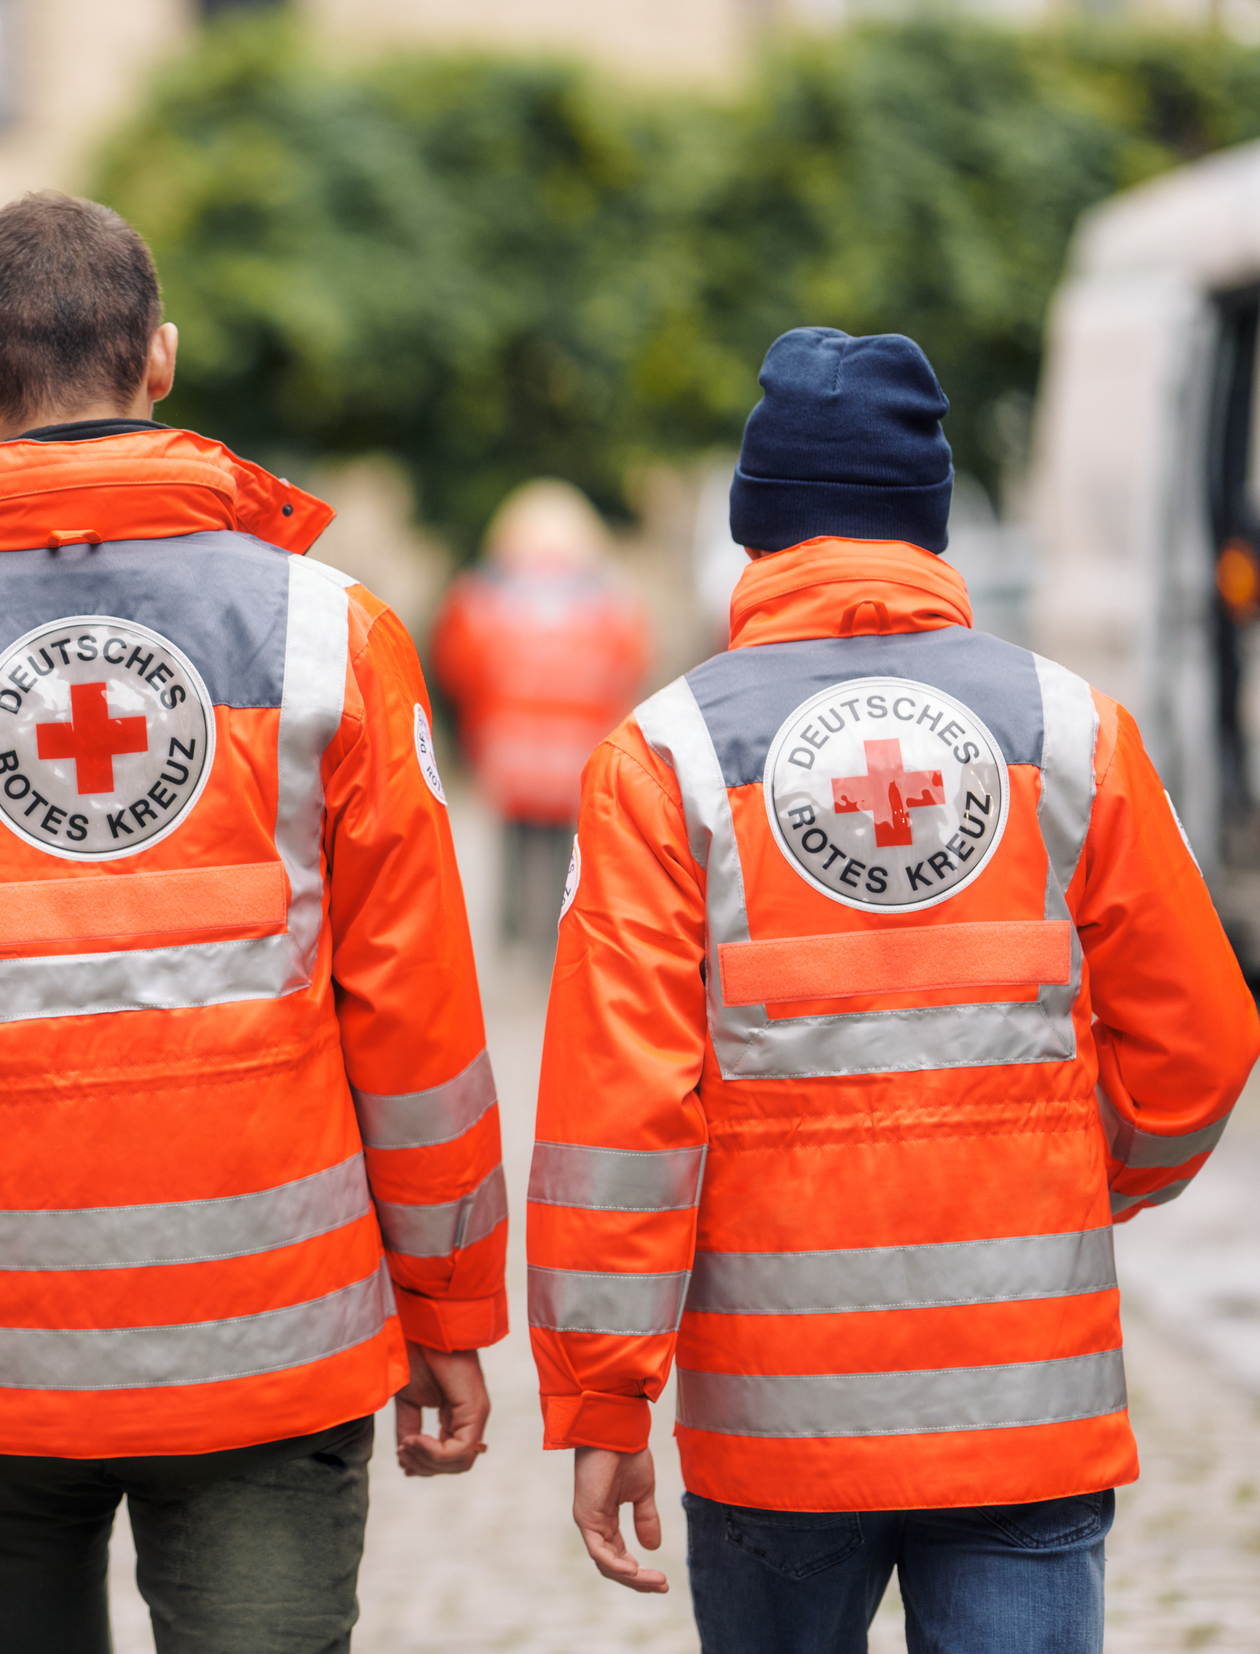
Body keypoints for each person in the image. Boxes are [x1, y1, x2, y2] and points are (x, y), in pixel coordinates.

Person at [0, 193, 505, 1653]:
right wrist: (450, 1304)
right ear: (160, 358)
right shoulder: (328, 636)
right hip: (273, 1343)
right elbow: (412, 1012)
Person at [531, 328, 1260, 1653]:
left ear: (756, 531)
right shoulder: (1073, 730)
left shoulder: (665, 756)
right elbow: (1202, 1040)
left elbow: (619, 1123)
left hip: (773, 1423)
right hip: (1025, 1399)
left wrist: (602, 1401)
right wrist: (1069, 1182)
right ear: (930, 527)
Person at [431, 479, 651, 942]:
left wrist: (482, 713)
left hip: (511, 745)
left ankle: (512, 927)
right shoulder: (609, 599)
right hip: (576, 747)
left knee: (514, 837)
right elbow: (631, 661)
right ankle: (555, 929)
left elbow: (457, 661)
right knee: (564, 843)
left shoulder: (485, 594)